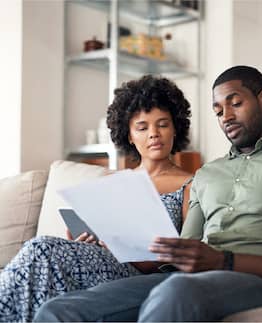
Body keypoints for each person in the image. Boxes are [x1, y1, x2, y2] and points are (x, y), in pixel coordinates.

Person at [33, 65, 262, 322]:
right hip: (190, 279)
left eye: (235, 103)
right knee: (60, 309)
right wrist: (119, 243)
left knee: (176, 292)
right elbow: (183, 253)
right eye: (219, 110)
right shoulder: (209, 174)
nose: (226, 117)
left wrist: (224, 261)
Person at [0, 75, 193, 322]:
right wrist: (84, 241)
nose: (154, 134)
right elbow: (94, 235)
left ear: (176, 127)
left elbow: (188, 256)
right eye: (142, 128)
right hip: (100, 262)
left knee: (42, 249)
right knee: (43, 260)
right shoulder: (115, 184)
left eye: (163, 124)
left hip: (141, 277)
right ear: (130, 136)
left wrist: (125, 249)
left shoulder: (190, 184)